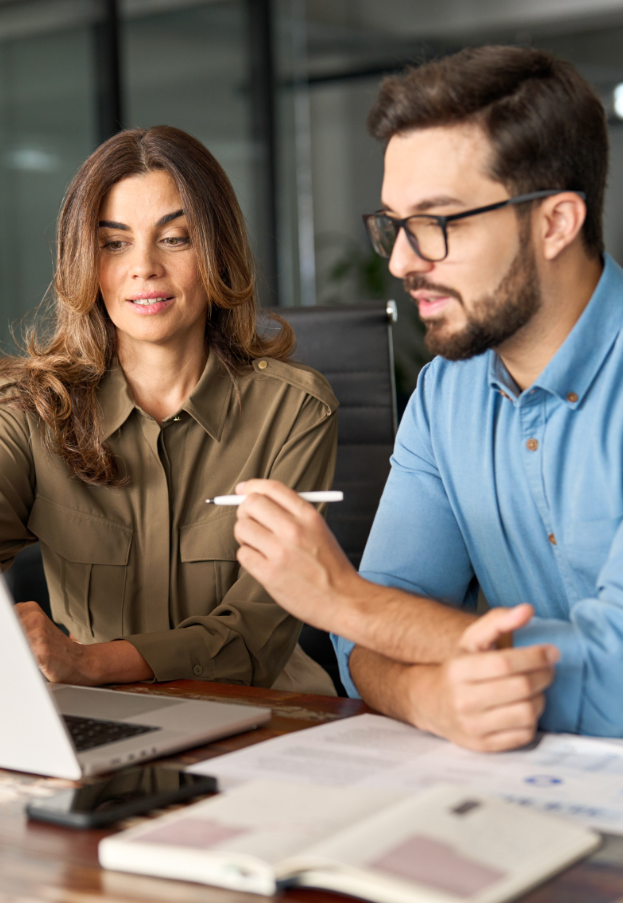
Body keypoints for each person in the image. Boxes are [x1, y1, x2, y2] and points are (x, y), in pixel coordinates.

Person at [232, 45, 623, 749]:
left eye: (436, 223)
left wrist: (343, 599)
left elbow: (617, 677)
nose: (400, 261)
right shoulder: (447, 393)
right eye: (393, 223)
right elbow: (368, 643)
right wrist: (426, 695)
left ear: (555, 223)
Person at [0, 125, 338, 696]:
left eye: (174, 238)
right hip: (99, 723)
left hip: (266, 716)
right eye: (114, 242)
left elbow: (256, 632)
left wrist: (89, 663)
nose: (143, 267)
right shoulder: (30, 413)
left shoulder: (294, 410)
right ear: (85, 260)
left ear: (216, 250)